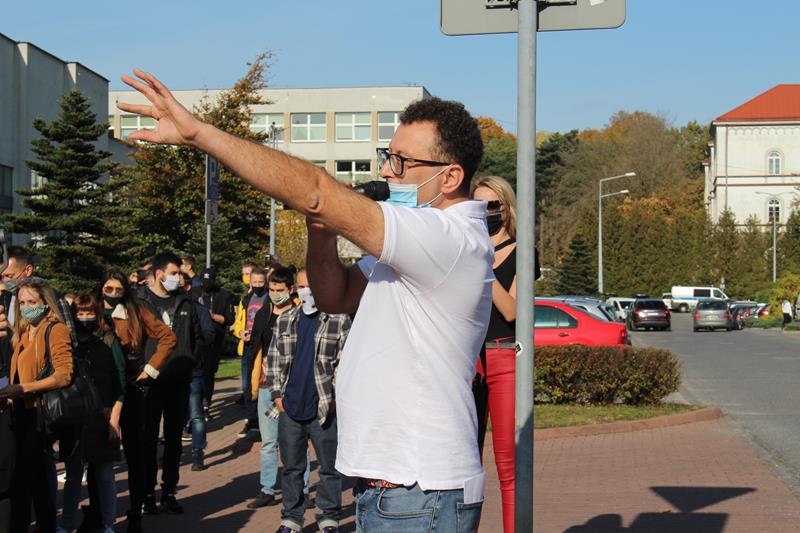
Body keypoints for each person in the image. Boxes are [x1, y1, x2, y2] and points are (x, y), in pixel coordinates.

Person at [119, 70, 491, 532]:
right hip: (395, 488)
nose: (386, 172)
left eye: (401, 162)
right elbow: (335, 296)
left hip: (420, 490)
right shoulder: (417, 247)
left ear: (450, 176)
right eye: (387, 157)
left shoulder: (447, 238)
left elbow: (314, 190)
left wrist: (200, 134)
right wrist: (322, 227)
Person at [264, 269, 350, 532]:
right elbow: (273, 360)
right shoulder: (285, 320)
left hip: (323, 407)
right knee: (292, 468)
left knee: (329, 468)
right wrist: (277, 396)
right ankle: (291, 518)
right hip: (290, 407)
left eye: (311, 286)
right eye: (302, 286)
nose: (306, 292)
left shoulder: (338, 320)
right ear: (295, 289)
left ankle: (329, 518)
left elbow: (346, 363)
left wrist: (334, 398)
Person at [99, 270, 176, 533]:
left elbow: (167, 337)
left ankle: (136, 510)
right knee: (99, 454)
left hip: (131, 385)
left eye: (117, 289)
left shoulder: (135, 310)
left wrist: (150, 369)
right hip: (101, 388)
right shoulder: (92, 309)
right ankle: (98, 514)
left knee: (135, 453)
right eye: (108, 288)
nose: (112, 294)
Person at [138, 252, 211, 515]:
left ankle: (169, 491)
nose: (178, 278)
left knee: (174, 440)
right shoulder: (141, 302)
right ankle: (146, 493)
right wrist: (142, 368)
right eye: (173, 273)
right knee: (147, 439)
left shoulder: (186, 302)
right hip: (149, 383)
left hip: (179, 381)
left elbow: (199, 337)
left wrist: (189, 360)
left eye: (180, 273)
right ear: (159, 274)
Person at [0, 278, 73, 533]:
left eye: (32, 302)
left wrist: (23, 389)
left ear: (45, 303)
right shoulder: (22, 331)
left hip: (39, 416)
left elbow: (64, 374)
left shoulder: (54, 329)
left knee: (32, 484)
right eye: (22, 303)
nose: (26, 307)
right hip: (19, 413)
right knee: (29, 484)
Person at [471, 175, 518, 533]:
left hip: (503, 357)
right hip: (467, 360)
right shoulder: (466, 249)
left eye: (492, 205)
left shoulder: (521, 252)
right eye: (479, 205)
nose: (486, 212)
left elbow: (512, 310)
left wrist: (483, 267)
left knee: (507, 464)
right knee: (464, 463)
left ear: (506, 207)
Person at [59, 294, 126, 533]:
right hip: (75, 418)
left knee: (105, 473)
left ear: (97, 315)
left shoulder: (107, 343)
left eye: (89, 313)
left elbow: (119, 384)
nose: (84, 318)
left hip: (102, 416)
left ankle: (108, 523)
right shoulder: (67, 344)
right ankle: (66, 523)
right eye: (80, 313)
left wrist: (114, 420)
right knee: (73, 474)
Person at [246, 266, 302, 510]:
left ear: (291, 289)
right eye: (272, 289)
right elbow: (255, 347)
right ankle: (267, 488)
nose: (275, 294)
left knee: (296, 441)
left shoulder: (301, 314)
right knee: (269, 442)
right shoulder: (264, 313)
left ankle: (302, 490)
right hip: (267, 385)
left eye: (280, 290)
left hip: (293, 387)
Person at [232, 265, 269, 437]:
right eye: (255, 282)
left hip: (263, 346)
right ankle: (251, 419)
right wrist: (240, 333)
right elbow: (239, 322)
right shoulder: (246, 300)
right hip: (247, 346)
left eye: (261, 282)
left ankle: (263, 421)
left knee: (261, 383)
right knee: (248, 385)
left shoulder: (269, 299)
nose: (258, 285)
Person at [195, 267, 235, 415]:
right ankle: (196, 405)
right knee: (196, 375)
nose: (205, 284)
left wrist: (212, 316)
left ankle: (206, 403)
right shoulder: (195, 293)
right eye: (203, 281)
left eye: (208, 281)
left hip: (214, 341)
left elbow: (229, 319)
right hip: (197, 340)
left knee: (208, 374)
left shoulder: (224, 296)